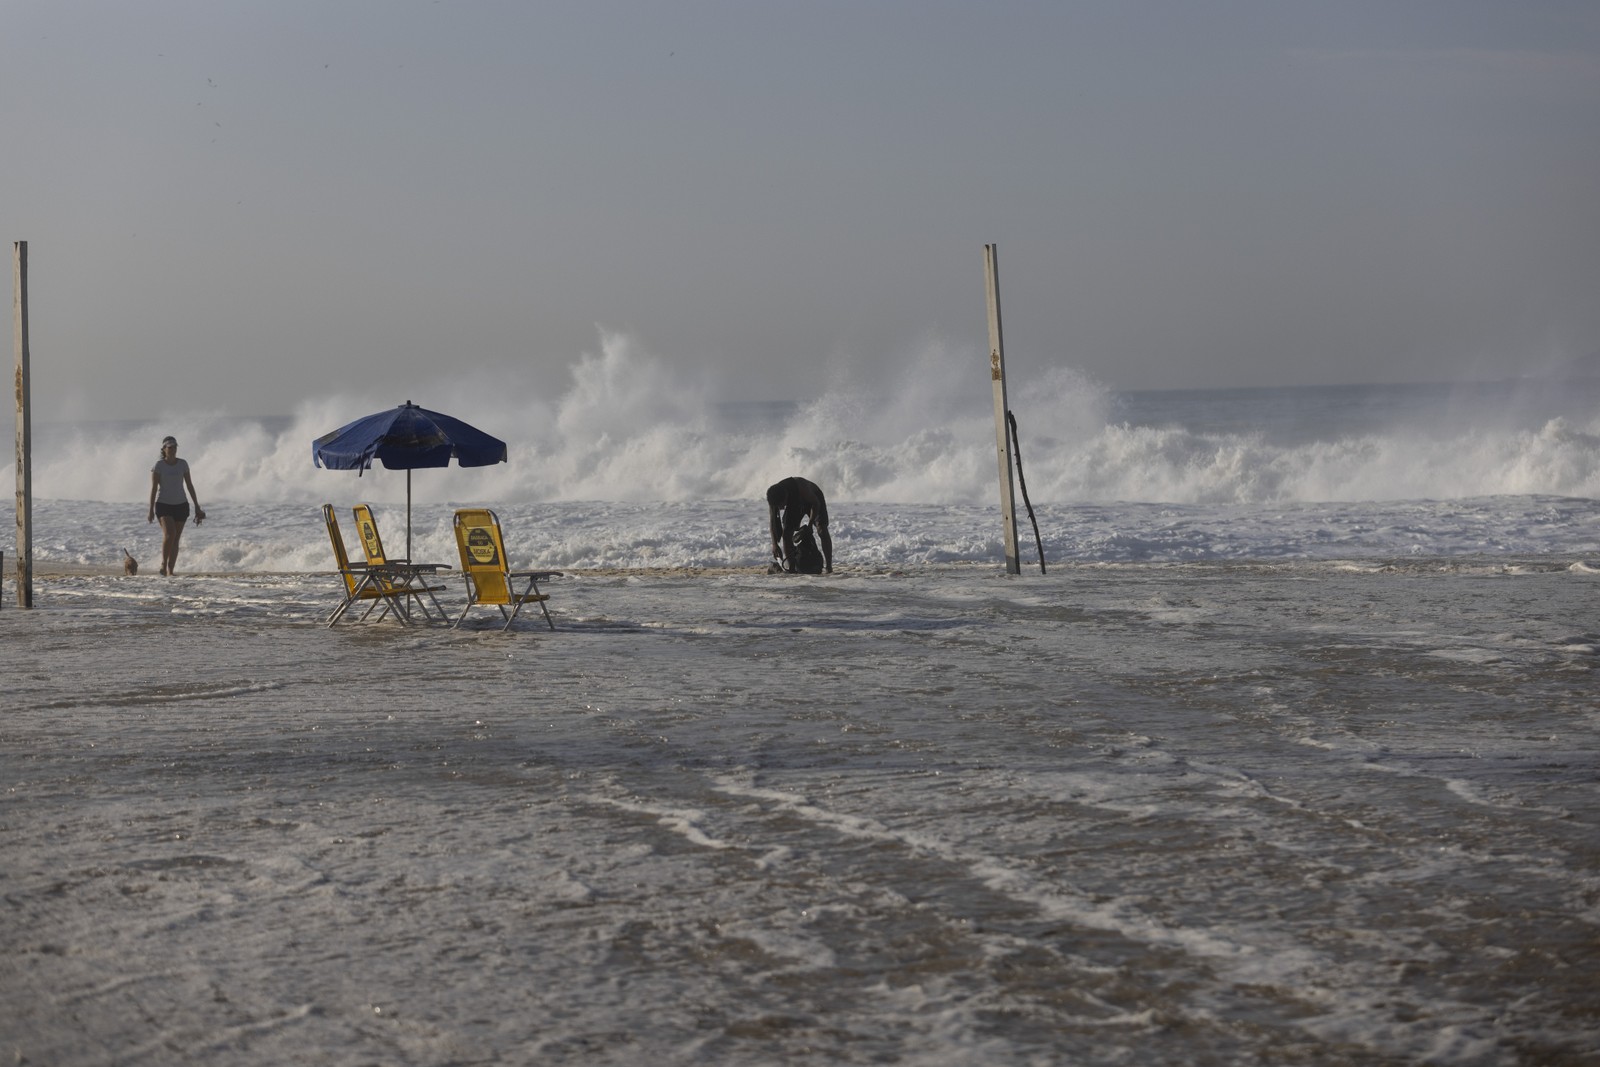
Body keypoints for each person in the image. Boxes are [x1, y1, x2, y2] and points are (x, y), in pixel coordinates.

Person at [147, 435, 205, 576]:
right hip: (163, 505)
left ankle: (170, 571)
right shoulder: (159, 466)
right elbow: (154, 488)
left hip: (181, 505)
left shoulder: (183, 464)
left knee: (176, 539)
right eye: (170, 447)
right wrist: (150, 510)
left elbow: (189, 485)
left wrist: (197, 505)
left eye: (174, 447)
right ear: (164, 449)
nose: (173, 450)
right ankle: (163, 563)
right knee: (170, 534)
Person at [767, 476, 832, 574]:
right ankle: (792, 569)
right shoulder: (773, 499)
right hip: (794, 504)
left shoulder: (801, 487)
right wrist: (774, 544)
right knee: (787, 534)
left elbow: (815, 504)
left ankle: (829, 567)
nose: (781, 508)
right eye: (778, 506)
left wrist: (810, 524)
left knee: (822, 529)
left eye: (782, 505)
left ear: (786, 496)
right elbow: (772, 523)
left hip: (814, 500)